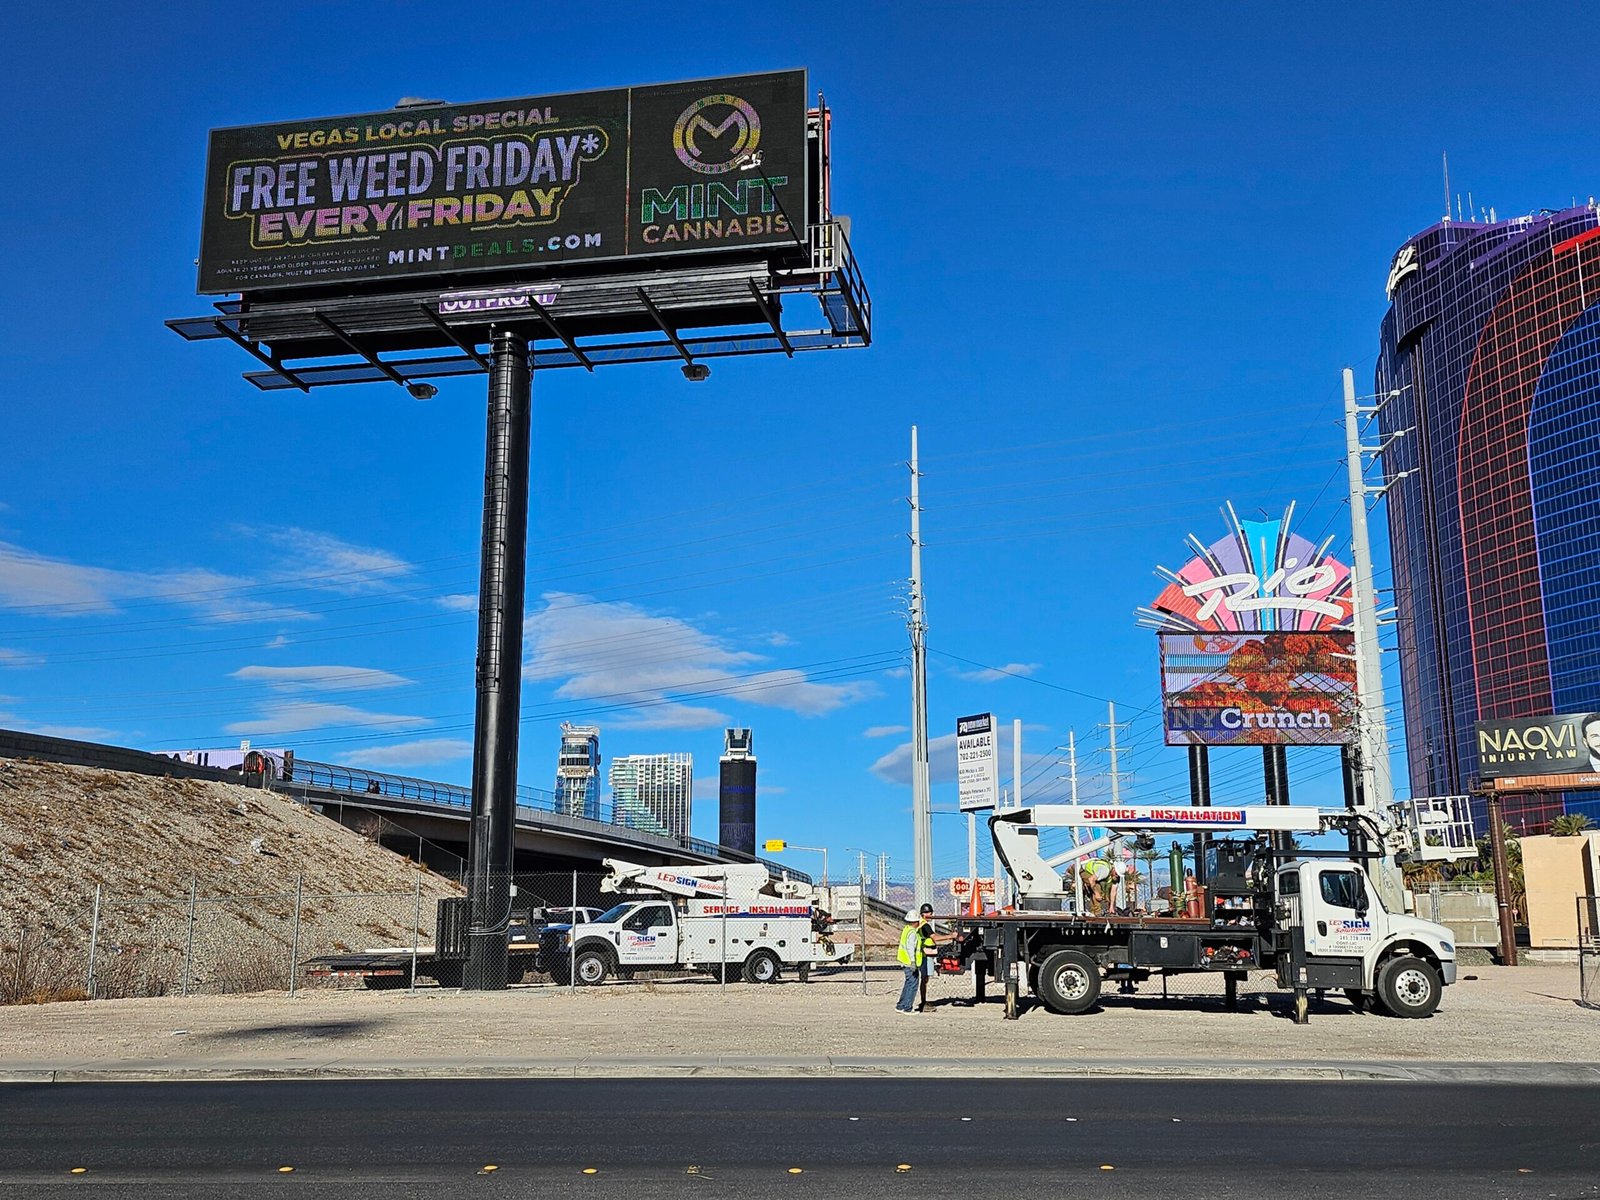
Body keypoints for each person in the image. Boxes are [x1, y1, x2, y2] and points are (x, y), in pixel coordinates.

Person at [917, 902, 937, 1012]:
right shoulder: (925, 925)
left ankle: (923, 1001)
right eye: (929, 913)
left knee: (925, 979)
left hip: (925, 953)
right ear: (924, 914)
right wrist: (950, 936)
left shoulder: (920, 924)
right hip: (925, 954)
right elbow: (935, 938)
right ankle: (923, 1002)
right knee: (924, 979)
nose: (931, 915)